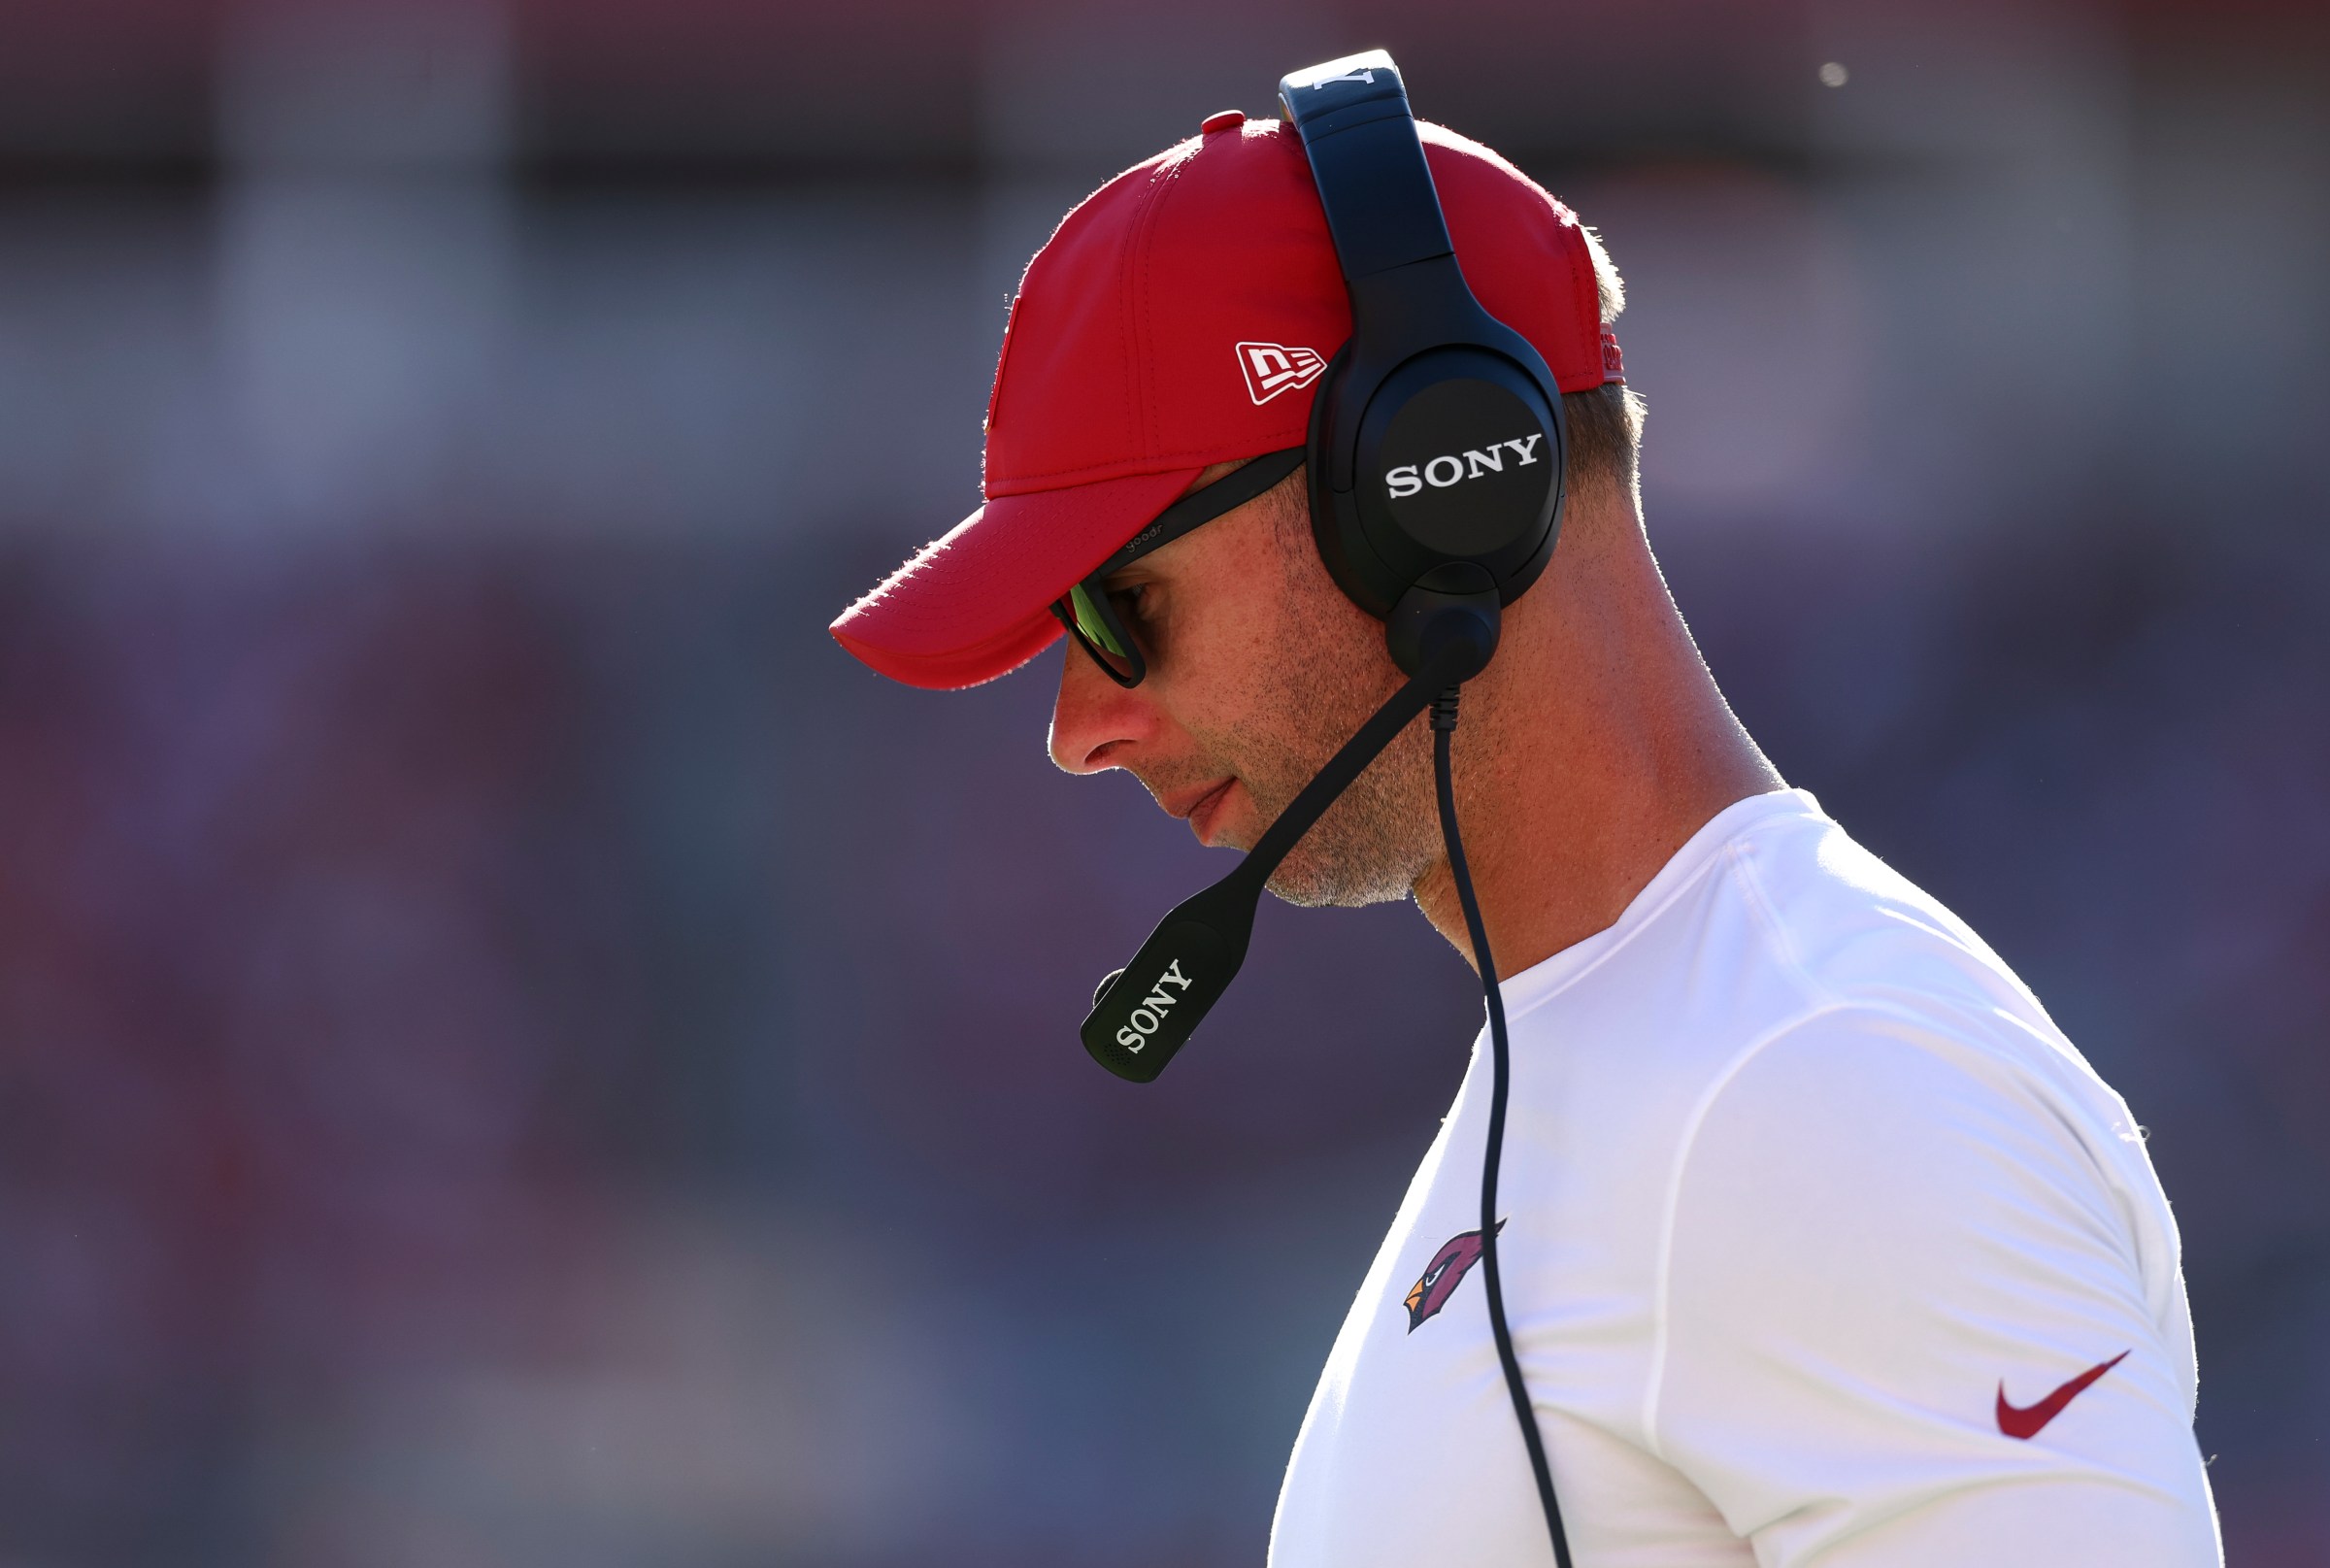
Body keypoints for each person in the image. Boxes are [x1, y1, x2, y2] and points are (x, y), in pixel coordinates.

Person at [830, 101, 2221, 1567]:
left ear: (1435, 487)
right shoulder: (1658, 1060)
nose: (1079, 727)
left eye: (1120, 606)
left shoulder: (1821, 1085)